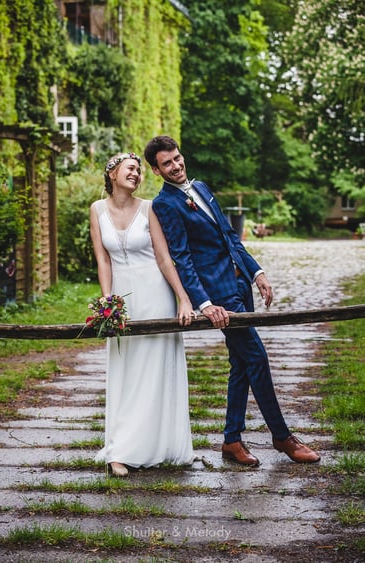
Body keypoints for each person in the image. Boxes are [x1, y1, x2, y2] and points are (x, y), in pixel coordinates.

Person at [144, 135, 321, 466]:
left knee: (241, 363)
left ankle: (232, 441)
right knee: (257, 357)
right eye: (167, 163)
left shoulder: (203, 187)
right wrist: (205, 303)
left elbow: (229, 238)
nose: (176, 166)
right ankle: (282, 437)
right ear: (156, 170)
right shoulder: (164, 205)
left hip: (241, 287)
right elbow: (182, 257)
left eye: (177, 158)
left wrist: (257, 273)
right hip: (220, 297)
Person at [90, 151, 195, 476]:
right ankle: (119, 451)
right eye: (130, 169)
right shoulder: (96, 210)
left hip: (155, 294)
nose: (136, 174)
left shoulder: (150, 208)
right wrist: (107, 302)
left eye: (139, 170)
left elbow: (164, 259)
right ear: (112, 173)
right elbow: (103, 261)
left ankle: (157, 444)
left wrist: (183, 299)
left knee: (156, 371)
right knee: (127, 371)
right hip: (123, 299)